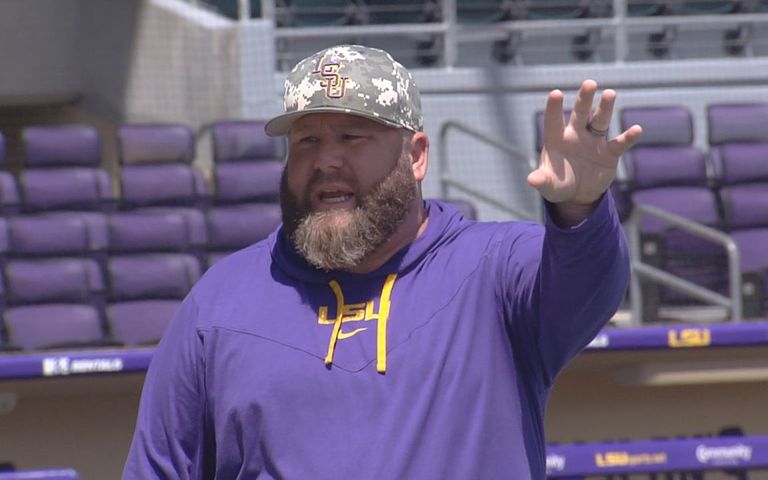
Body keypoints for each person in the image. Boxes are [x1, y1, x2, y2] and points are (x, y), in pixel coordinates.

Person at [123, 44, 642, 479]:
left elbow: (588, 286)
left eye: (352, 136)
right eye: (307, 140)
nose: (326, 160)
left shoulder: (495, 270)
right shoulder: (220, 303)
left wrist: (579, 208)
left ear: (415, 156)